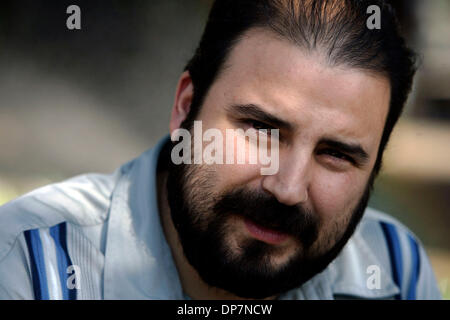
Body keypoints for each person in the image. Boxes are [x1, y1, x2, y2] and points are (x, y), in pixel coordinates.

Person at [0, 0, 442, 300]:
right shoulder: (29, 267)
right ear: (185, 108)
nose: (287, 188)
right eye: (262, 129)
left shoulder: (394, 270)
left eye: (337, 154)